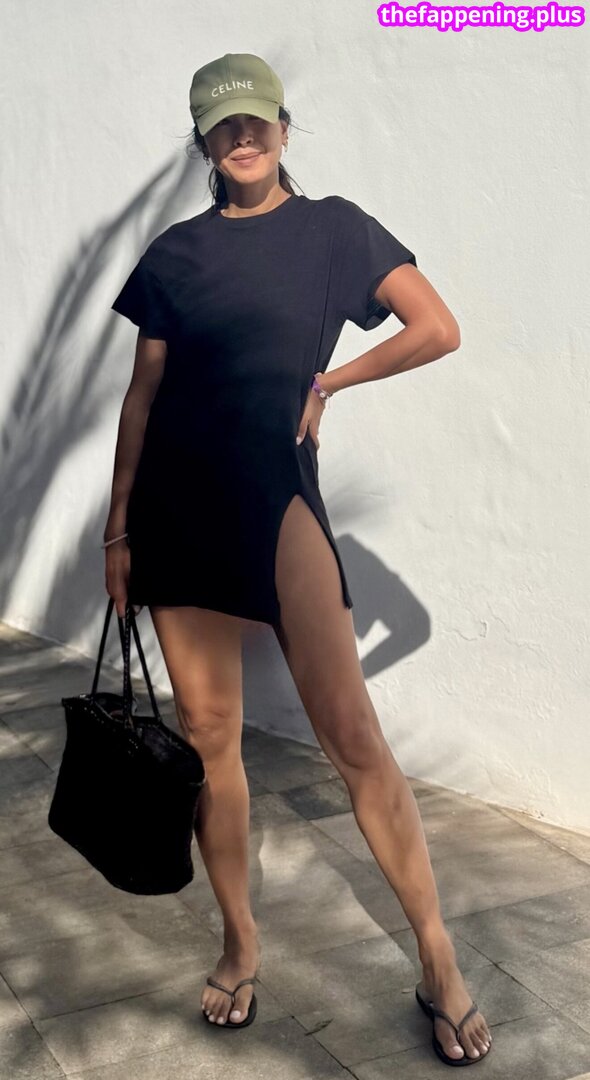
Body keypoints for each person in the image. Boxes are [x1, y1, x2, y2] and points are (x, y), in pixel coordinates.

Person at [104, 52, 492, 1065]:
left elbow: (436, 328)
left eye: (257, 120)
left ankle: (436, 957)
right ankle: (239, 944)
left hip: (277, 501)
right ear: (203, 141)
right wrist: (118, 528)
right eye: (222, 125)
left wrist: (330, 382)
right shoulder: (175, 255)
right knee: (208, 739)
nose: (242, 137)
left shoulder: (334, 230)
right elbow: (141, 398)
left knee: (353, 736)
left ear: (283, 127)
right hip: (176, 512)